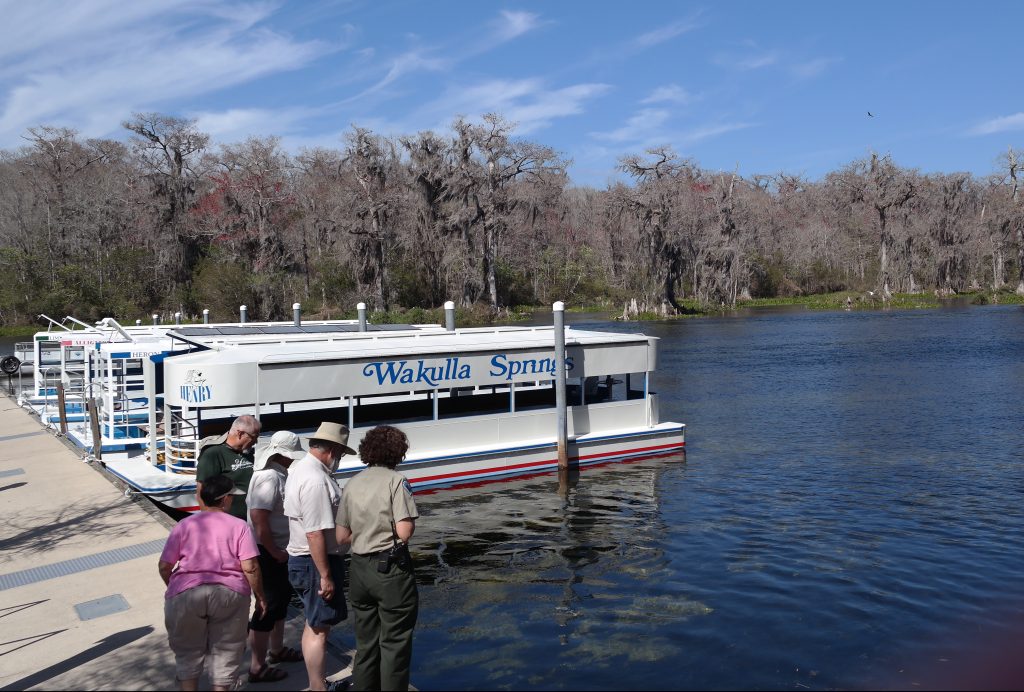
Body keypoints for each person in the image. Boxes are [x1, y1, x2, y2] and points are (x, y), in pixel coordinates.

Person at [158, 474, 267, 692]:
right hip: (229, 593)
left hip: (186, 593)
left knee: (187, 655)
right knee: (226, 655)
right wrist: (261, 598)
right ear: (225, 499)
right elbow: (250, 567)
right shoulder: (239, 526)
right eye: (232, 497)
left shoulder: (184, 525)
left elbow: (164, 566)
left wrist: (177, 586)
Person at [337, 425, 419, 692]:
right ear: (398, 452)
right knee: (394, 642)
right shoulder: (396, 481)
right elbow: (404, 532)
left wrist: (365, 534)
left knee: (366, 642)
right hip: (390, 570)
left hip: (359, 570)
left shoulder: (352, 482)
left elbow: (341, 536)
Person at [284, 422, 356, 692]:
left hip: (308, 560)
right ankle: (317, 688)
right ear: (333, 450)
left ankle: (318, 684)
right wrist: (325, 575)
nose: (341, 459)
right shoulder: (315, 479)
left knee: (313, 623)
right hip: (315, 562)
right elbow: (314, 532)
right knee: (319, 630)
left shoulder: (301, 469)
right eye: (342, 454)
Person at [246, 430, 307, 683]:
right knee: (266, 606)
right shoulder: (270, 478)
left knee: (280, 602)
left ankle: (276, 648)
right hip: (268, 552)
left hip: (277, 550)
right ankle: (257, 667)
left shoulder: (273, 474)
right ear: (283, 455)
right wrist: (274, 551)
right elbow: (259, 519)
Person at [196, 415, 262, 520]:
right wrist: (210, 522)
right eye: (254, 437)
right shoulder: (213, 453)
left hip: (251, 520)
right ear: (240, 433)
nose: (256, 441)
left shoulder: (247, 452)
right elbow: (201, 492)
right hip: (228, 522)